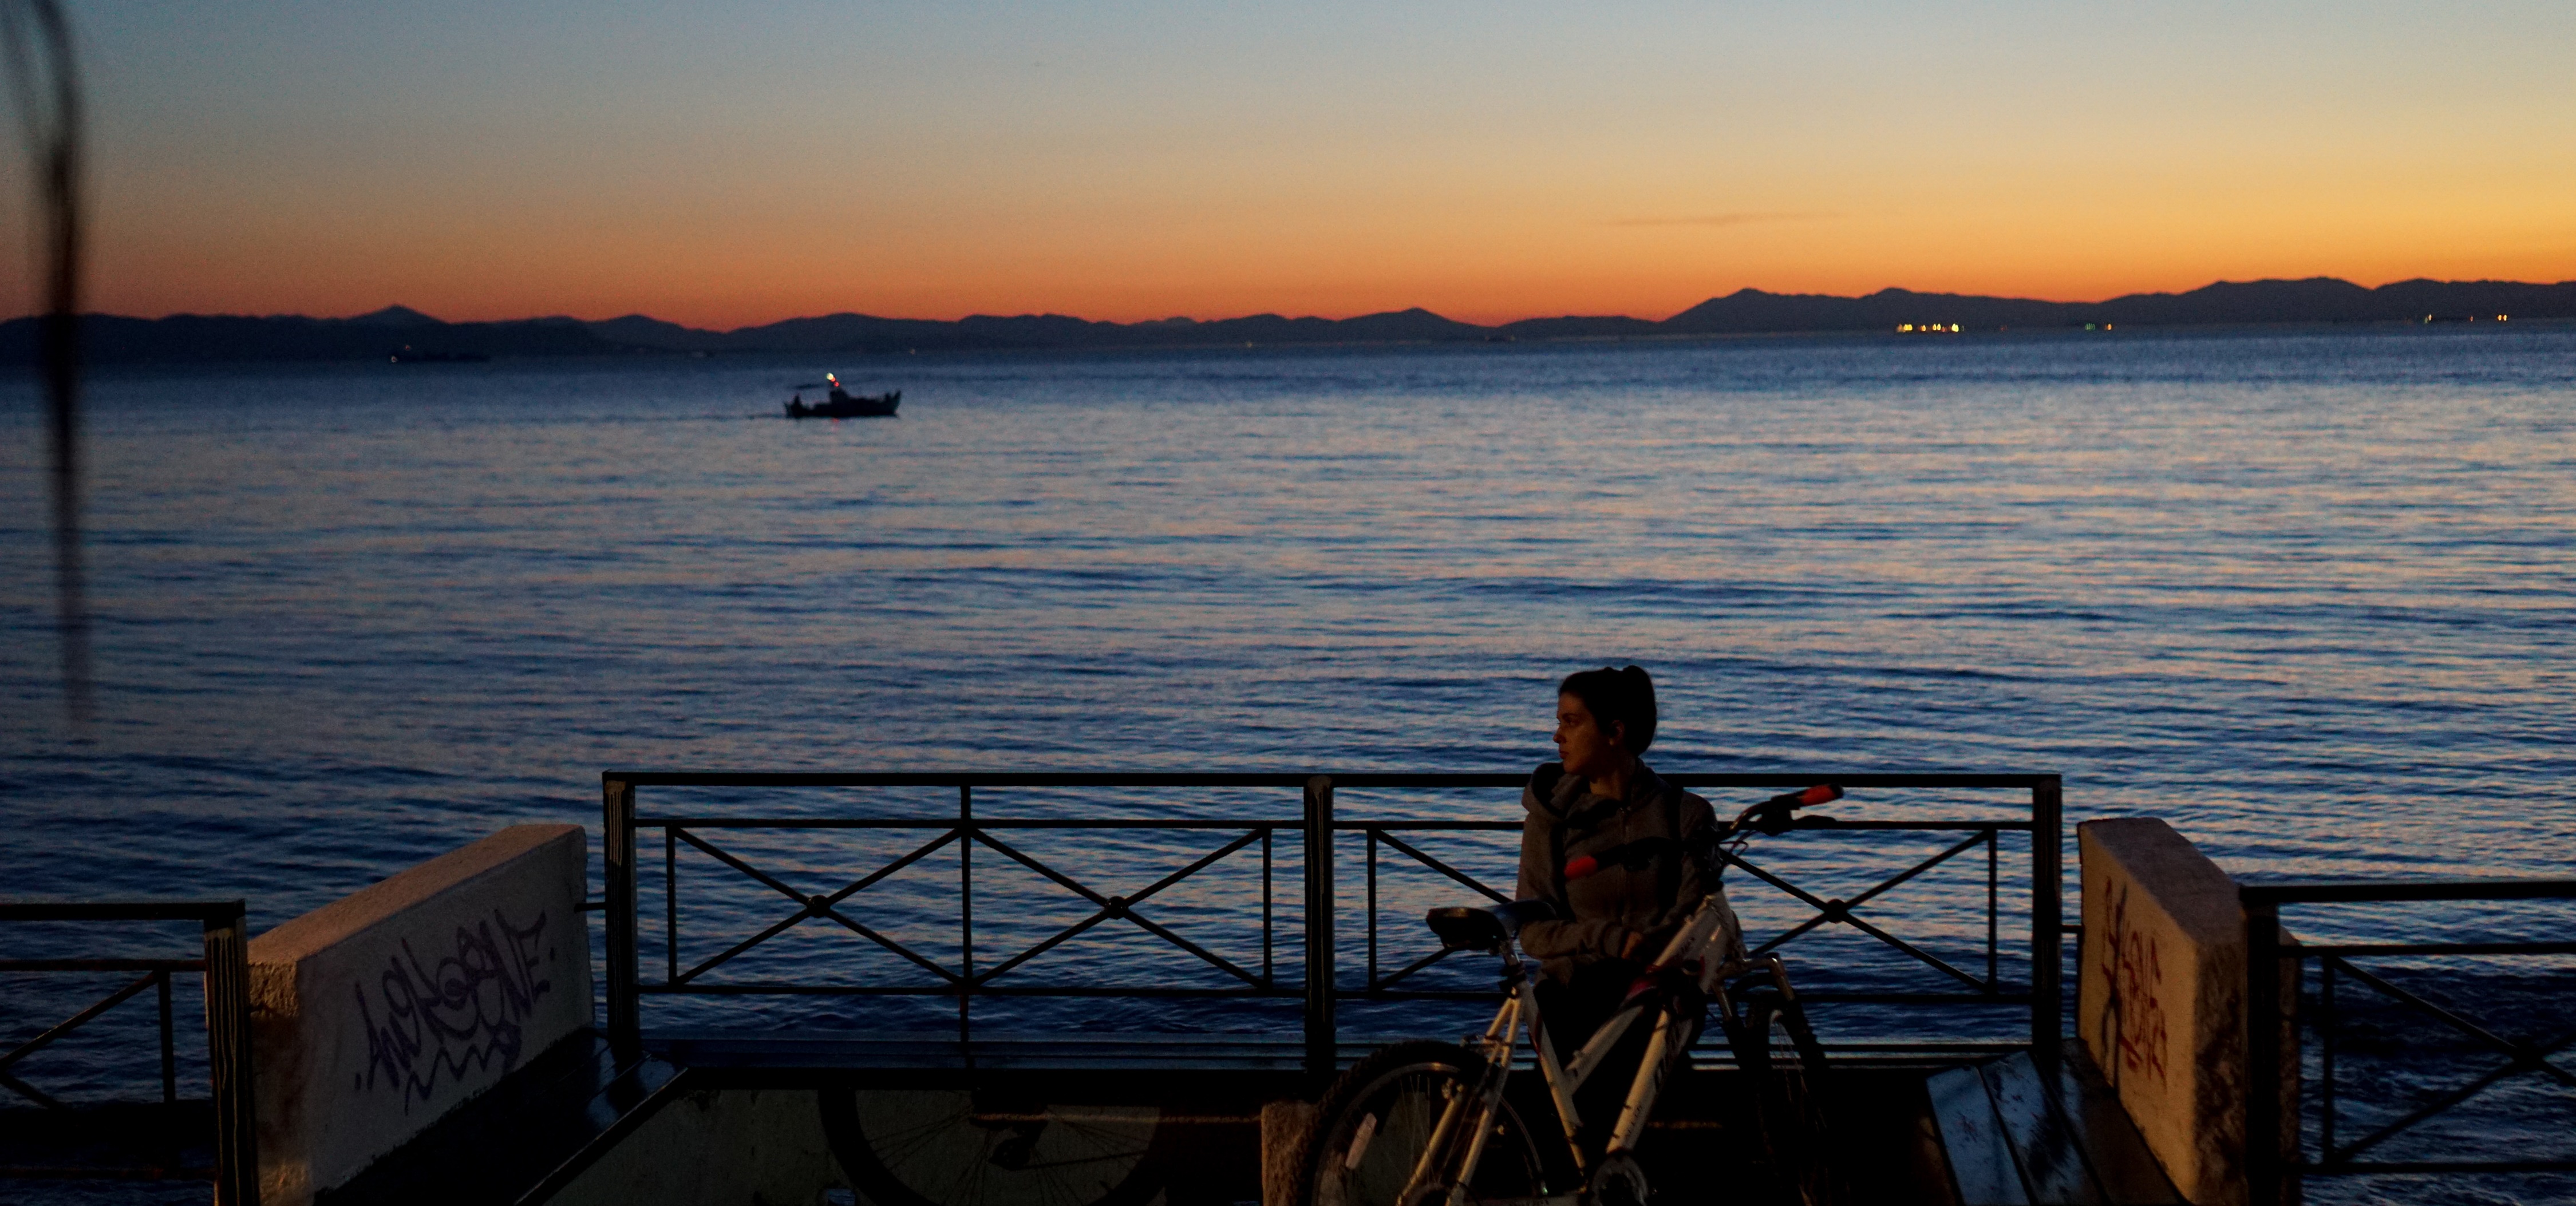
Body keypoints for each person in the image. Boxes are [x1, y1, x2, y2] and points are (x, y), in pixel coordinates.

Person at [1515, 666, 1746, 1137]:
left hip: (1655, 991)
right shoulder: (1552, 818)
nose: (1556, 734)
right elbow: (1534, 928)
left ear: (1615, 732)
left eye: (1571, 721)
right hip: (1572, 991)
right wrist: (1611, 938)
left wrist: (1645, 952)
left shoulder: (1686, 814)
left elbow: (1693, 916)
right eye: (1559, 720)